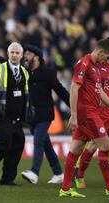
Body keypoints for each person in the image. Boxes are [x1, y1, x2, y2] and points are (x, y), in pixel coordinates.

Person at [59, 39, 109, 198]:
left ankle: (65, 189)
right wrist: (74, 115)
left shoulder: (95, 67)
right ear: (100, 52)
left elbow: (100, 93)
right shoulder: (84, 64)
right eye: (107, 58)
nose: (107, 61)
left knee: (76, 149)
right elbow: (74, 88)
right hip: (87, 114)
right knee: (105, 146)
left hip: (91, 112)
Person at [20, 45, 69, 184]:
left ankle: (34, 172)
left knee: (38, 141)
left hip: (44, 114)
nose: (25, 56)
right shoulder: (25, 72)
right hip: (31, 115)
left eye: (28, 54)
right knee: (46, 144)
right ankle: (58, 173)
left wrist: (75, 108)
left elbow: (60, 91)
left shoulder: (47, 73)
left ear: (36, 57)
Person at [0, 42, 29, 186]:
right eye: (12, 52)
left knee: (18, 143)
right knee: (5, 143)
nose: (14, 55)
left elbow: (25, 94)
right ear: (8, 54)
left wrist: (28, 110)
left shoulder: (24, 72)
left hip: (17, 117)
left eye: (17, 53)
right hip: (2, 115)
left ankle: (7, 178)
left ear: (21, 56)